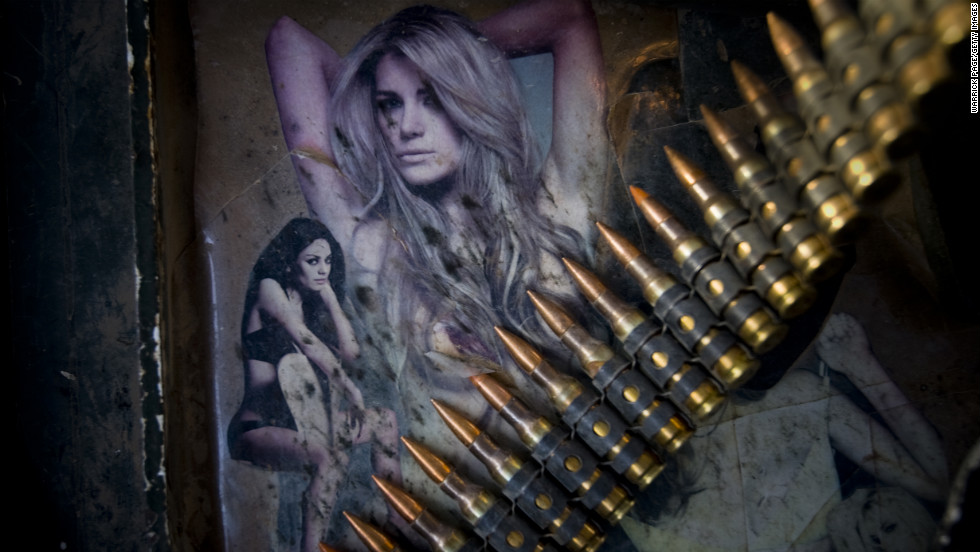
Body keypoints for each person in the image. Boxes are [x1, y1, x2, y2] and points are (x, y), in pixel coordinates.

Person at [264, 0, 609, 467]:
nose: (406, 127)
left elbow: (569, 16)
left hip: (591, 507)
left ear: (470, 97)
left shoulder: (558, 209)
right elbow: (289, 39)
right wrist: (378, 69)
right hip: (466, 527)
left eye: (433, 98)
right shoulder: (374, 252)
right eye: (389, 104)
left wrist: (448, 54)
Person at [621, 312, 949, 551]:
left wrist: (859, 365)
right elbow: (933, 482)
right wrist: (860, 366)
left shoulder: (801, 400)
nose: (875, 534)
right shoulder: (806, 401)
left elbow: (933, 481)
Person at [227, 217, 402, 552]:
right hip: (258, 428)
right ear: (289, 261)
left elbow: (350, 352)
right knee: (326, 457)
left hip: (311, 421)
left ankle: (399, 522)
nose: (323, 269)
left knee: (385, 421)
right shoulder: (268, 288)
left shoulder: (310, 302)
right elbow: (307, 344)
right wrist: (351, 390)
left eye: (327, 261)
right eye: (312, 261)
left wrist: (332, 299)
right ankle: (312, 548)